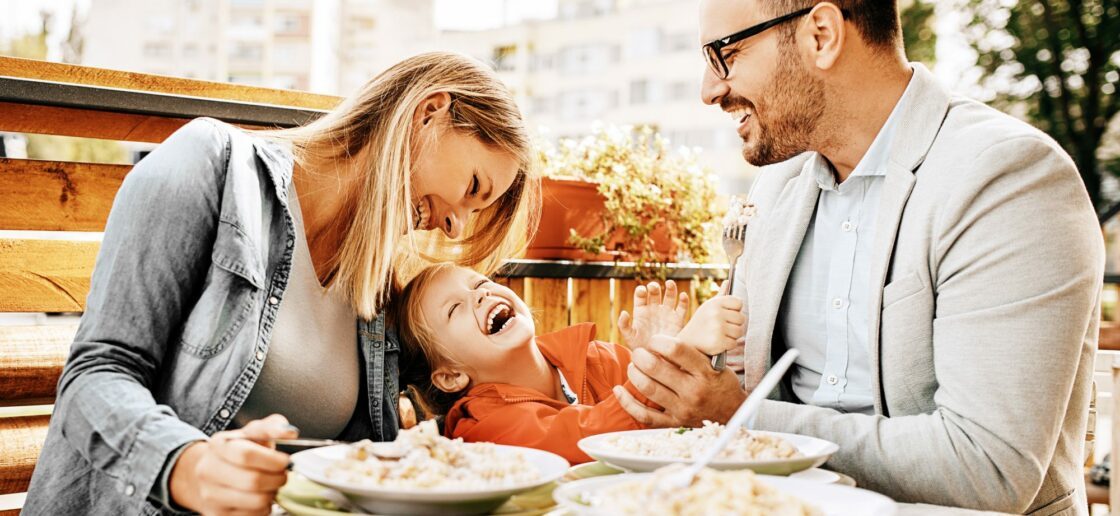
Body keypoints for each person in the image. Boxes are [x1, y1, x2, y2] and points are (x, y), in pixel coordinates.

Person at [614, 1, 1104, 513]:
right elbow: (741, 376)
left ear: (821, 35)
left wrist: (742, 419)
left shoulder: (1008, 177)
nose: (709, 89)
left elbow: (988, 470)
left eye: (724, 54)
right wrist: (687, 365)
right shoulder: (779, 185)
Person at [25, 52, 539, 516]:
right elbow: (95, 376)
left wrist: (607, 383)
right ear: (428, 112)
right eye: (472, 189)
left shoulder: (375, 288)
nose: (456, 228)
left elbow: (477, 380)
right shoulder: (213, 167)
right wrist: (185, 466)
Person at [391, 263, 745, 463]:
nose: (480, 294)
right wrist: (674, 353)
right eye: (455, 308)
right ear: (451, 376)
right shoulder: (482, 426)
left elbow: (683, 418)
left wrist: (657, 356)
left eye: (480, 283)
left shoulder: (602, 358)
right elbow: (585, 436)